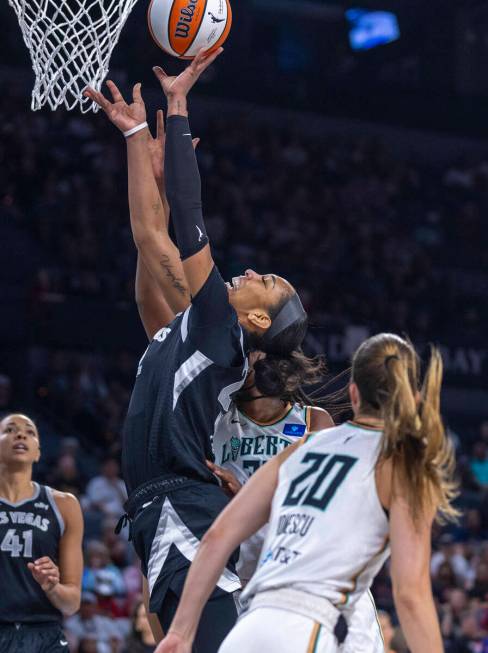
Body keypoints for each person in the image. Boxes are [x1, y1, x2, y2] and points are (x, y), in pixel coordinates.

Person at [84, 47, 322, 652]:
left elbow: (189, 218)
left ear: (260, 318)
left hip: (178, 509)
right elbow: (148, 233)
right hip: (164, 510)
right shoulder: (185, 331)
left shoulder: (222, 329)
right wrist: (136, 135)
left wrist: (179, 102)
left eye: (264, 280)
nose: (248, 270)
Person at [154, 333, 458, 653]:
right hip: (313, 625)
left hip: (249, 626)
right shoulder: (404, 463)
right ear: (416, 399)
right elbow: (410, 593)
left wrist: (180, 633)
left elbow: (217, 537)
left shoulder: (305, 447)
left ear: (354, 395)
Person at [0, 413, 83, 653]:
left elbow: (72, 603)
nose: (21, 434)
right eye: (10, 429)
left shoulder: (64, 505)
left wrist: (52, 587)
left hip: (44, 636)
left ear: (37, 453)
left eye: (30, 431)